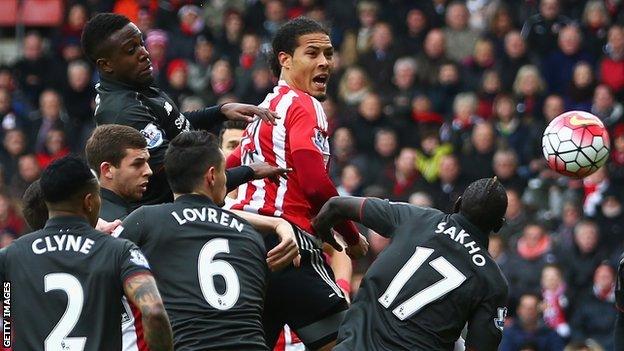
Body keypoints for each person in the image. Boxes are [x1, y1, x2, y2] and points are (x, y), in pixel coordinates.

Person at [227, 17, 369, 350]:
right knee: (349, 342)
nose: (324, 62)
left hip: (241, 246)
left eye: (329, 54)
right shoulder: (305, 105)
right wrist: (351, 237)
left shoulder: (262, 112)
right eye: (312, 53)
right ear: (285, 60)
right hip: (286, 245)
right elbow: (316, 184)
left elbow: (219, 176)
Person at [116, 131, 300, 350]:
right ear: (212, 176)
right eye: (225, 171)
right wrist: (278, 223)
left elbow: (101, 267)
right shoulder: (250, 235)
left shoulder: (146, 221)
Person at [80, 13, 284, 206]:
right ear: (106, 65)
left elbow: (171, 122)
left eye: (141, 43)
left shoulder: (132, 82)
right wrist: (248, 172)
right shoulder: (123, 110)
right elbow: (181, 171)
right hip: (167, 215)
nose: (144, 53)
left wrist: (220, 111)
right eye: (131, 50)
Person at [313, 177, 509, 350]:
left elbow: (335, 206)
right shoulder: (493, 282)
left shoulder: (417, 217)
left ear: (457, 204)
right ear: (499, 225)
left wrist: (347, 239)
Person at [0, 156, 173, 350]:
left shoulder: (10, 256)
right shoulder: (119, 251)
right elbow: (155, 312)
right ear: (89, 201)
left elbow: (7, 326)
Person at [85, 124, 152, 221]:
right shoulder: (122, 225)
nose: (148, 171)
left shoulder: (82, 215)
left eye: (147, 162)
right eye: (137, 164)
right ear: (107, 170)